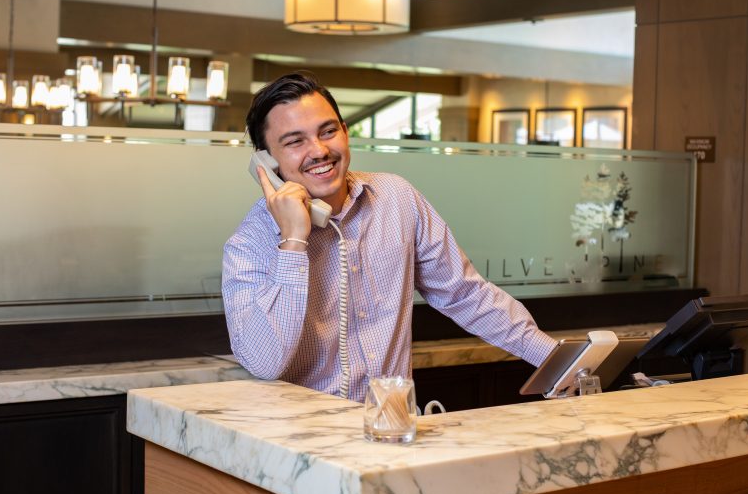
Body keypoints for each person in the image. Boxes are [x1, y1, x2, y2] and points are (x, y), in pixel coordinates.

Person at [222, 72, 558, 402]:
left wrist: (556, 362)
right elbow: (264, 362)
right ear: (265, 163)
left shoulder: (397, 197)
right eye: (295, 141)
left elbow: (465, 294)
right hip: (302, 446)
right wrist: (294, 241)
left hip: (391, 432)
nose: (320, 150)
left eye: (328, 131)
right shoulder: (248, 245)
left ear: (345, 132)